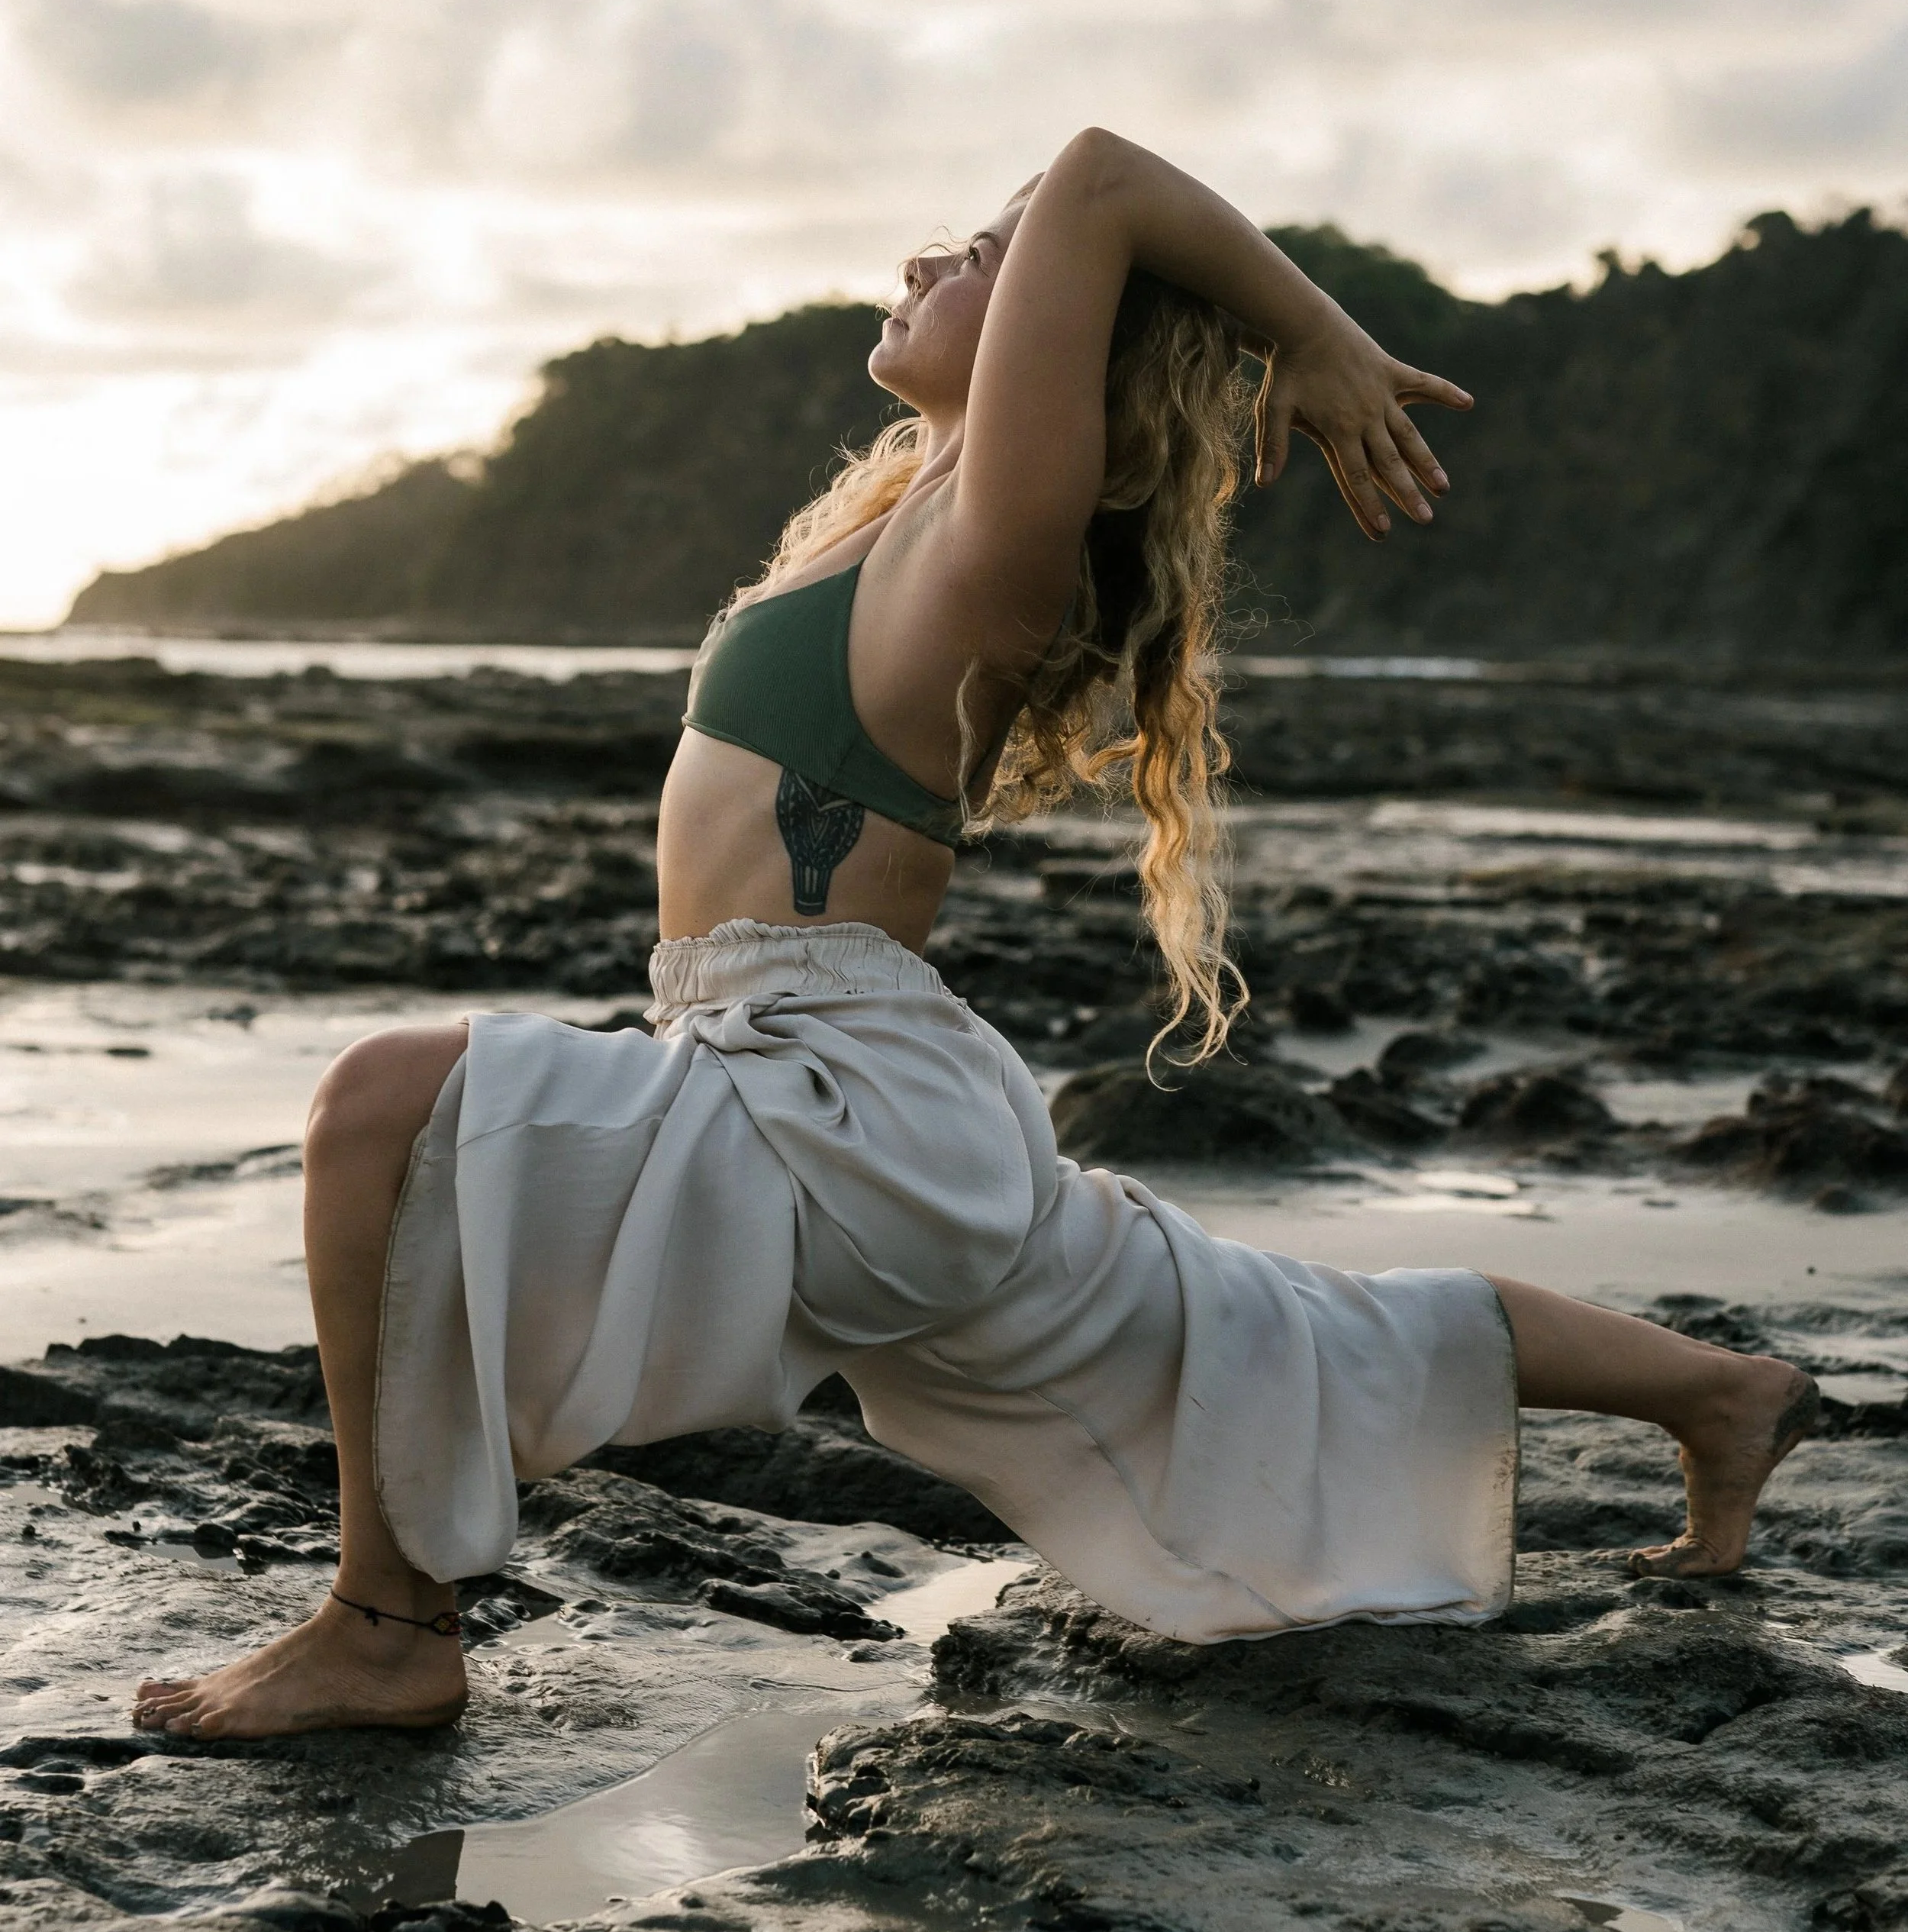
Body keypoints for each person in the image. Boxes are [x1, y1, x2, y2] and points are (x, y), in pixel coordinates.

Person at [133, 131, 1818, 1741]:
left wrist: (1304, 329)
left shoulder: (991, 540)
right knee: (1268, 1325)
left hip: (833, 1100)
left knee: (384, 1104)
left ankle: (385, 1625)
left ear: (1059, 346)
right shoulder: (890, 519)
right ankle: (1713, 1391)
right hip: (860, 1105)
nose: (938, 254)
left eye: (991, 255)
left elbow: (1098, 168)